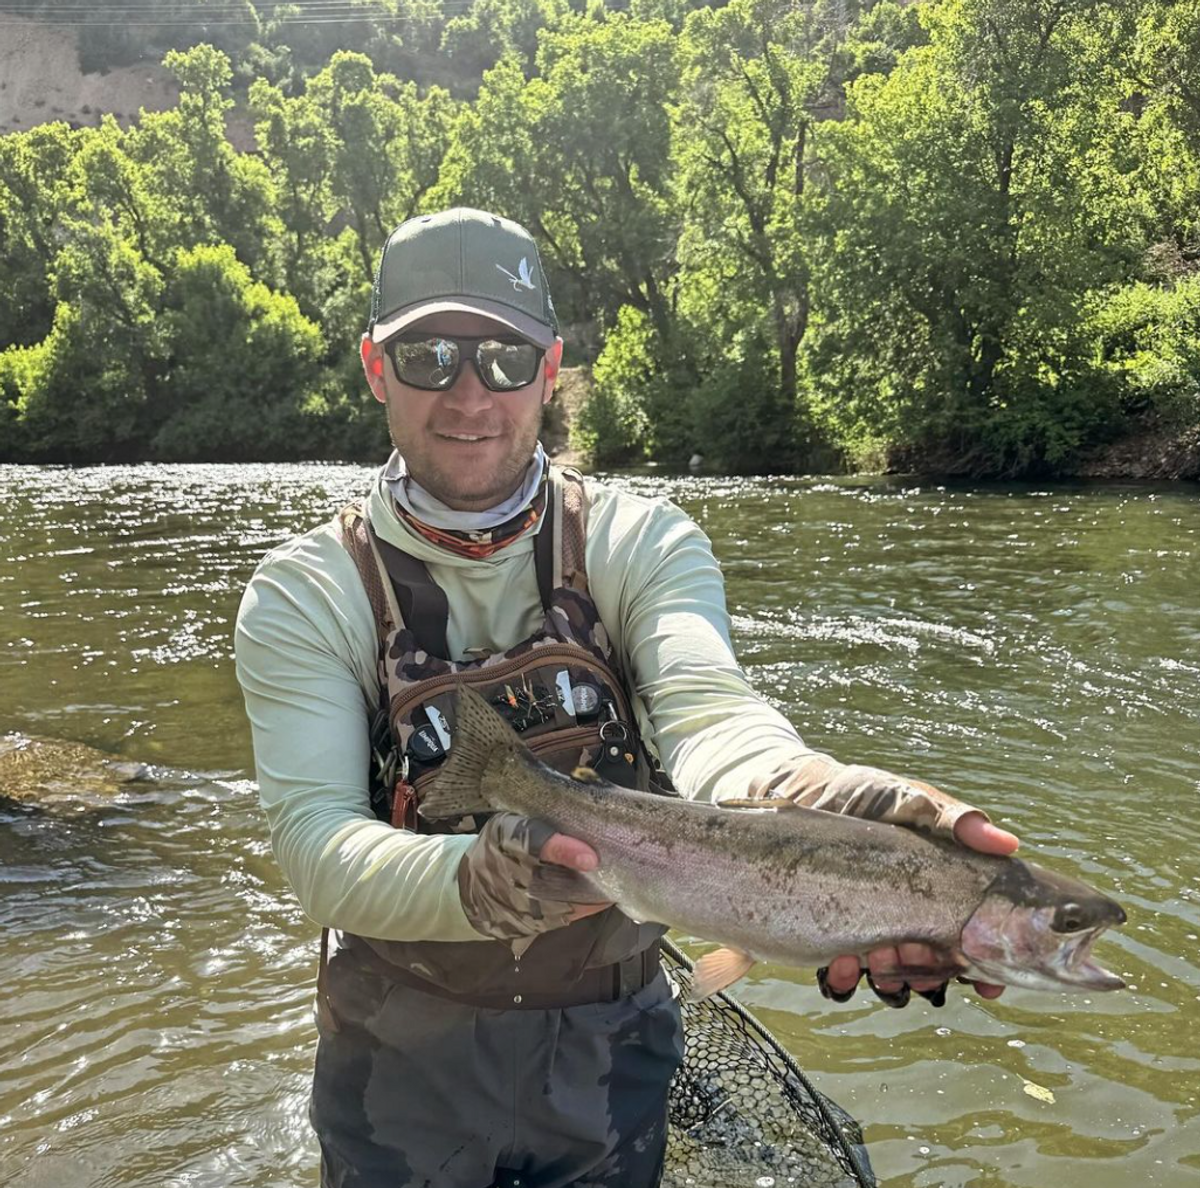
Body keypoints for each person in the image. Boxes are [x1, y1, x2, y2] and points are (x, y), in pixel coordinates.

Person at [234, 207, 1019, 1188]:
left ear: (552, 367)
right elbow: (316, 850)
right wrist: (478, 879)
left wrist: (819, 799)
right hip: (397, 1059)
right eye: (432, 356)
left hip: (610, 1050)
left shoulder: (639, 543)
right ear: (375, 367)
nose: (471, 395)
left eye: (506, 359)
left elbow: (712, 716)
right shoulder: (308, 590)